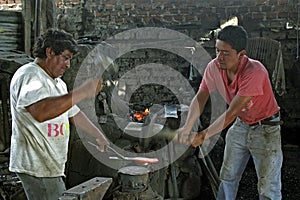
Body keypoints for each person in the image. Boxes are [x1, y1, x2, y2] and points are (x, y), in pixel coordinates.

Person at [178, 25, 283, 200]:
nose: (219, 57)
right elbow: (200, 97)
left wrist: (203, 135)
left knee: (268, 186)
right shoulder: (214, 67)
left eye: (225, 53)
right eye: (217, 50)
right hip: (242, 124)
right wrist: (187, 127)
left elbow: (231, 112)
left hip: (266, 128)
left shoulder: (254, 71)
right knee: (227, 177)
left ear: (241, 54)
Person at [9, 28, 110, 200]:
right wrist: (83, 91)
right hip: (36, 166)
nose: (68, 65)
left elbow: (73, 113)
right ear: (49, 52)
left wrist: (98, 134)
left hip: (50, 167)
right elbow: (40, 112)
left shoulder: (58, 83)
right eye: (65, 58)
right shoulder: (30, 75)